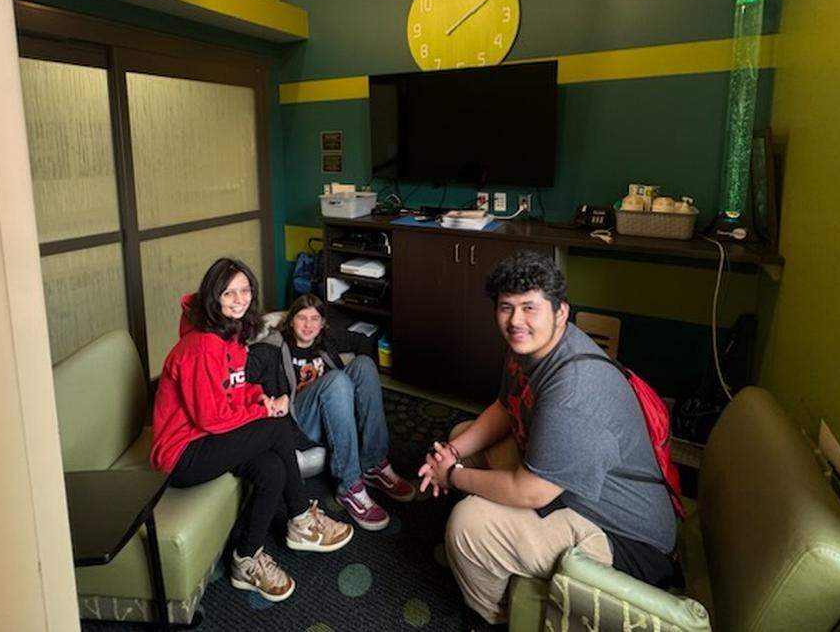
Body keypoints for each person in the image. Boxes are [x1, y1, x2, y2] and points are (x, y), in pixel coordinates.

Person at [419, 251, 677, 629]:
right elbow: (506, 408)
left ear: (561, 312)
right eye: (506, 308)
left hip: (624, 539)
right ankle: (504, 553)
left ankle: (496, 617)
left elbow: (532, 491)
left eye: (529, 308)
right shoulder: (529, 349)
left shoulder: (573, 390)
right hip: (572, 488)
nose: (516, 321)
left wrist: (452, 475)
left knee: (468, 524)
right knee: (461, 435)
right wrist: (454, 453)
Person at [151, 258, 353, 603]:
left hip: (211, 440)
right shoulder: (202, 345)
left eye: (244, 290)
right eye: (228, 292)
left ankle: (246, 559)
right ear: (212, 297)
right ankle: (301, 517)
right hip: (183, 453)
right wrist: (263, 410)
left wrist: (262, 396)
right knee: (275, 429)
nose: (239, 298)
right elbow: (210, 418)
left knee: (272, 469)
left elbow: (236, 387)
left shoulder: (229, 337)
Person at [249, 293, 415, 531]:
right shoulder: (273, 347)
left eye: (314, 318)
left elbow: (361, 342)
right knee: (336, 379)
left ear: (322, 323)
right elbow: (243, 376)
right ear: (290, 320)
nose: (308, 325)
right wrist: (267, 399)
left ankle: (373, 463)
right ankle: (349, 486)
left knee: (364, 365)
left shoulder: (326, 339)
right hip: (299, 422)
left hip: (333, 410)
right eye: (301, 318)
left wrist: (360, 395)